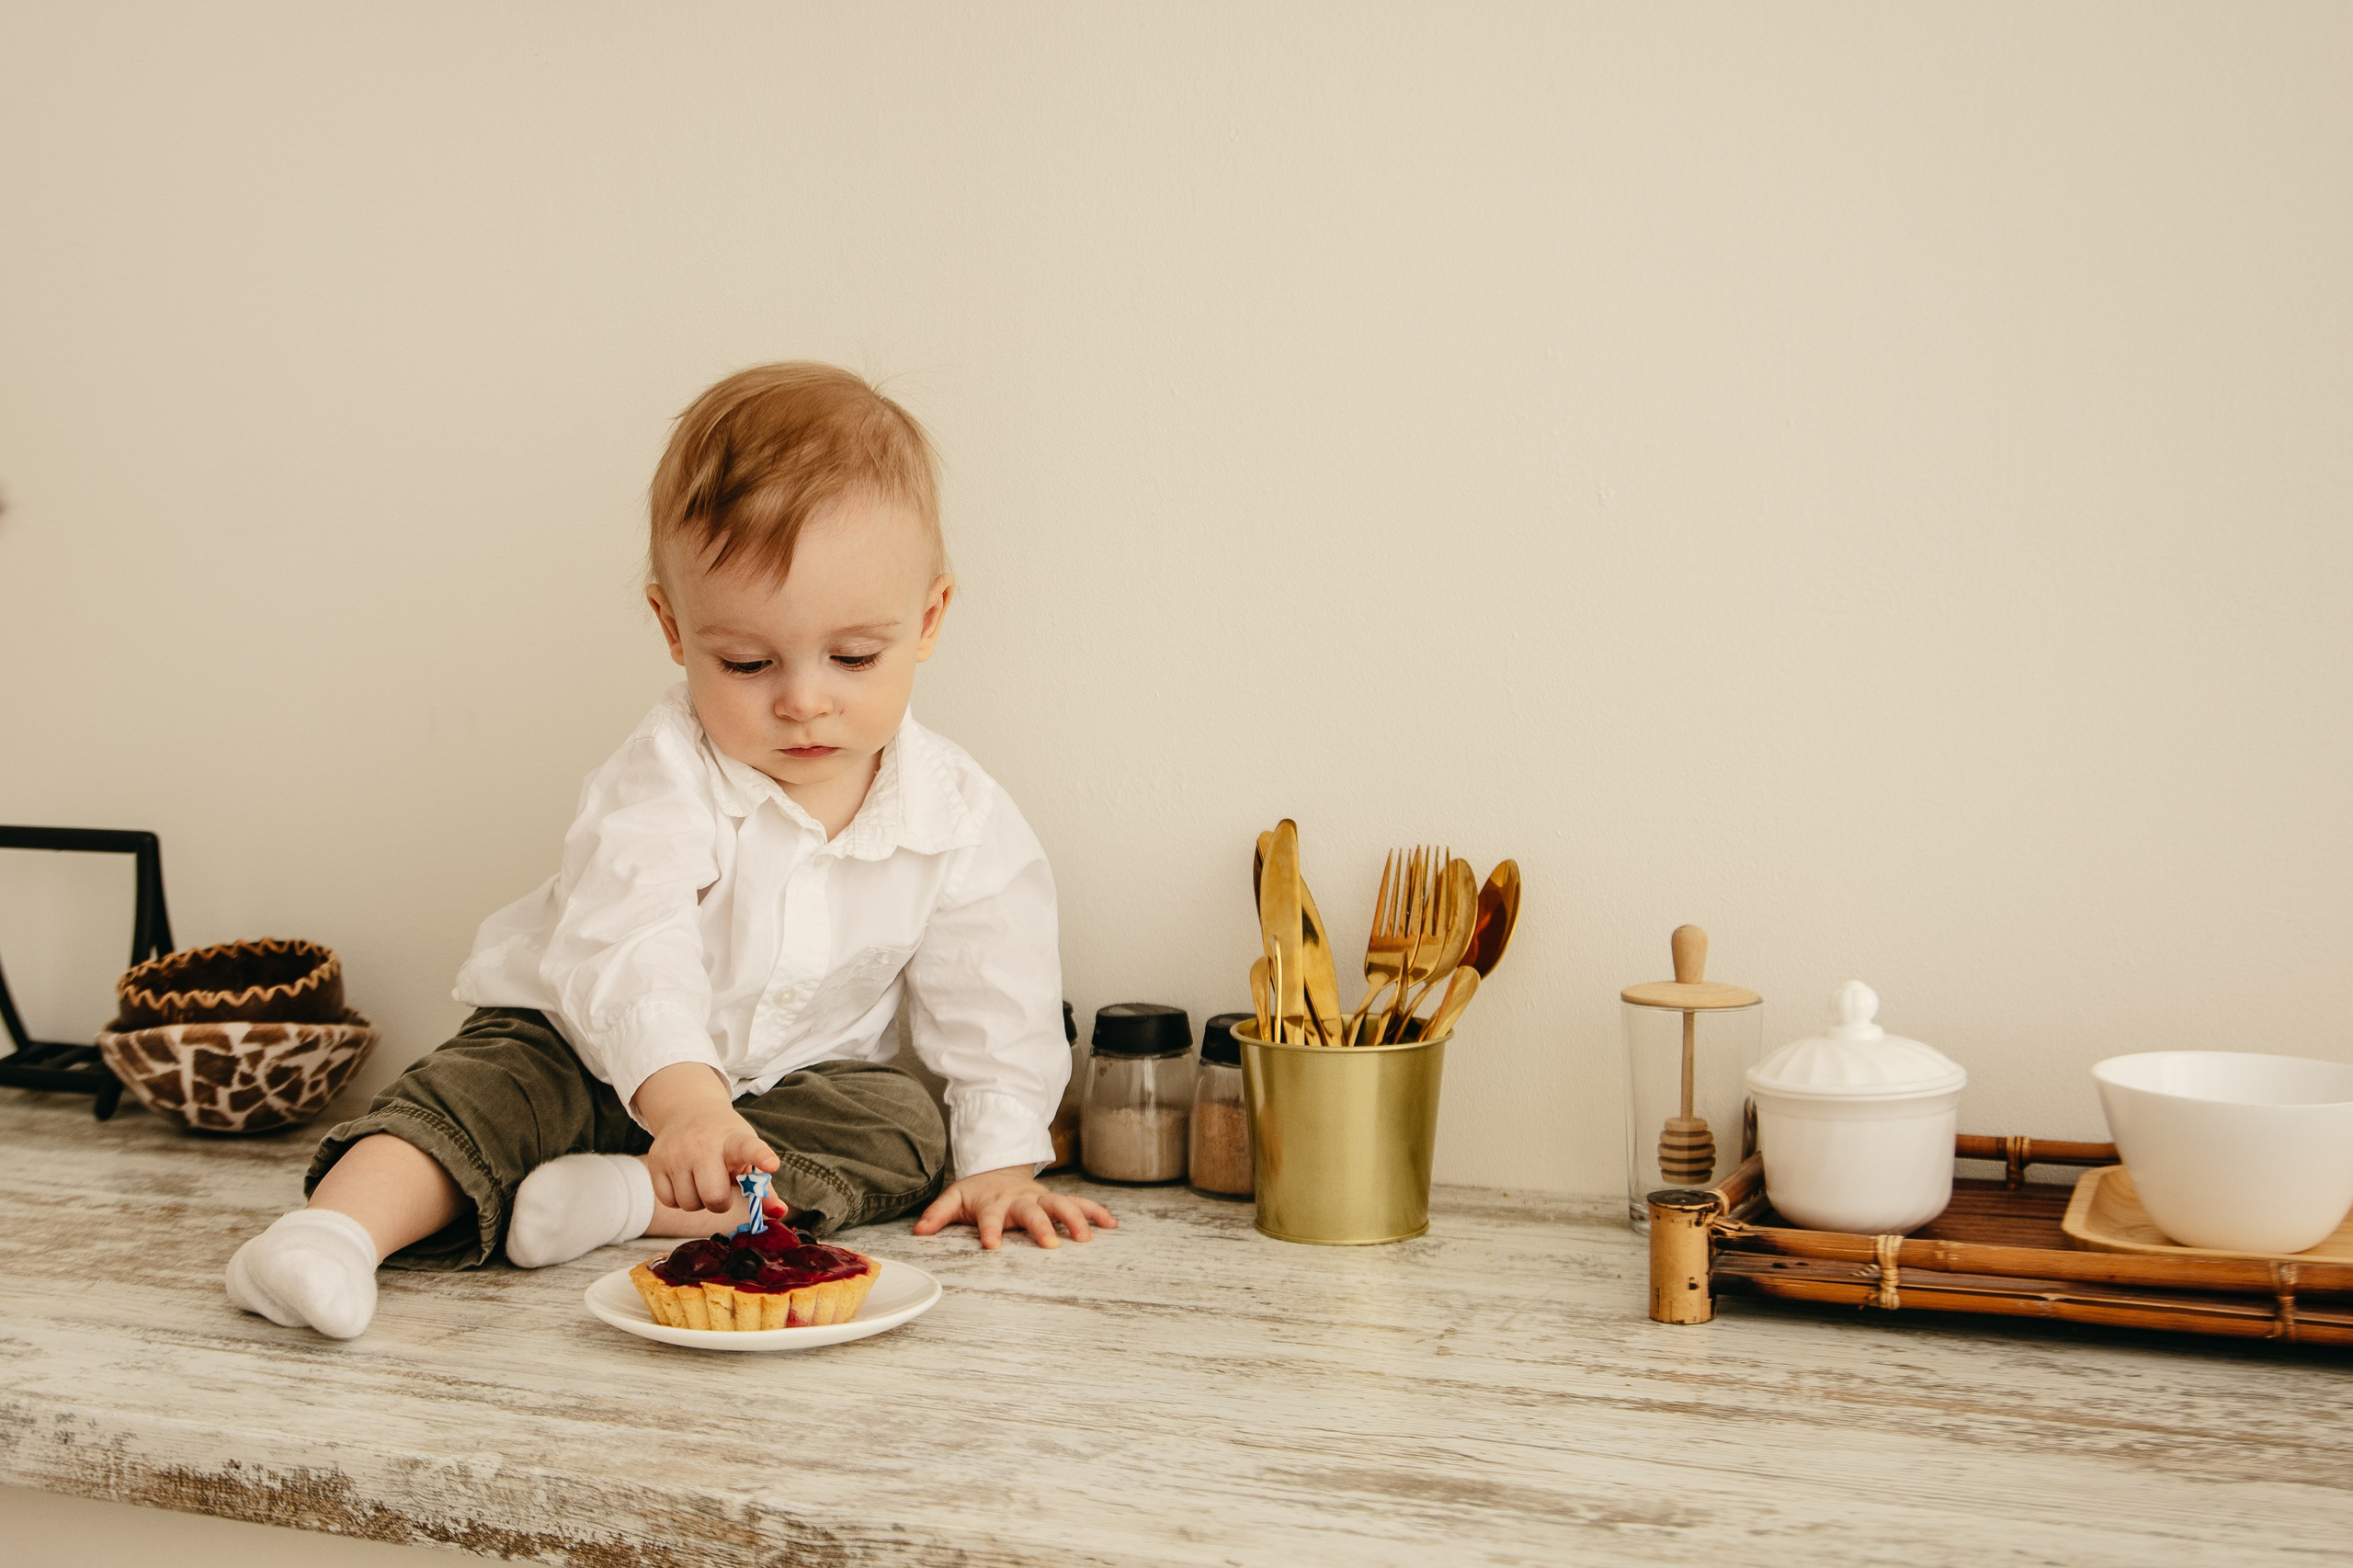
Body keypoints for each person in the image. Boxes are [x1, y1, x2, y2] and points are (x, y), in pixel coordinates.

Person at [227, 362, 1112, 1338]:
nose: (804, 700)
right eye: (748, 662)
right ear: (673, 627)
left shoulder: (958, 811)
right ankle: (330, 1236)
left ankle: (627, 1200)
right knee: (480, 1094)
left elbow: (997, 989)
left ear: (929, 620)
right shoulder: (662, 775)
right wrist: (685, 1102)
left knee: (899, 1123)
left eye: (854, 657)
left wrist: (1000, 1162)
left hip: (787, 1086)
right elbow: (630, 936)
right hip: (577, 1043)